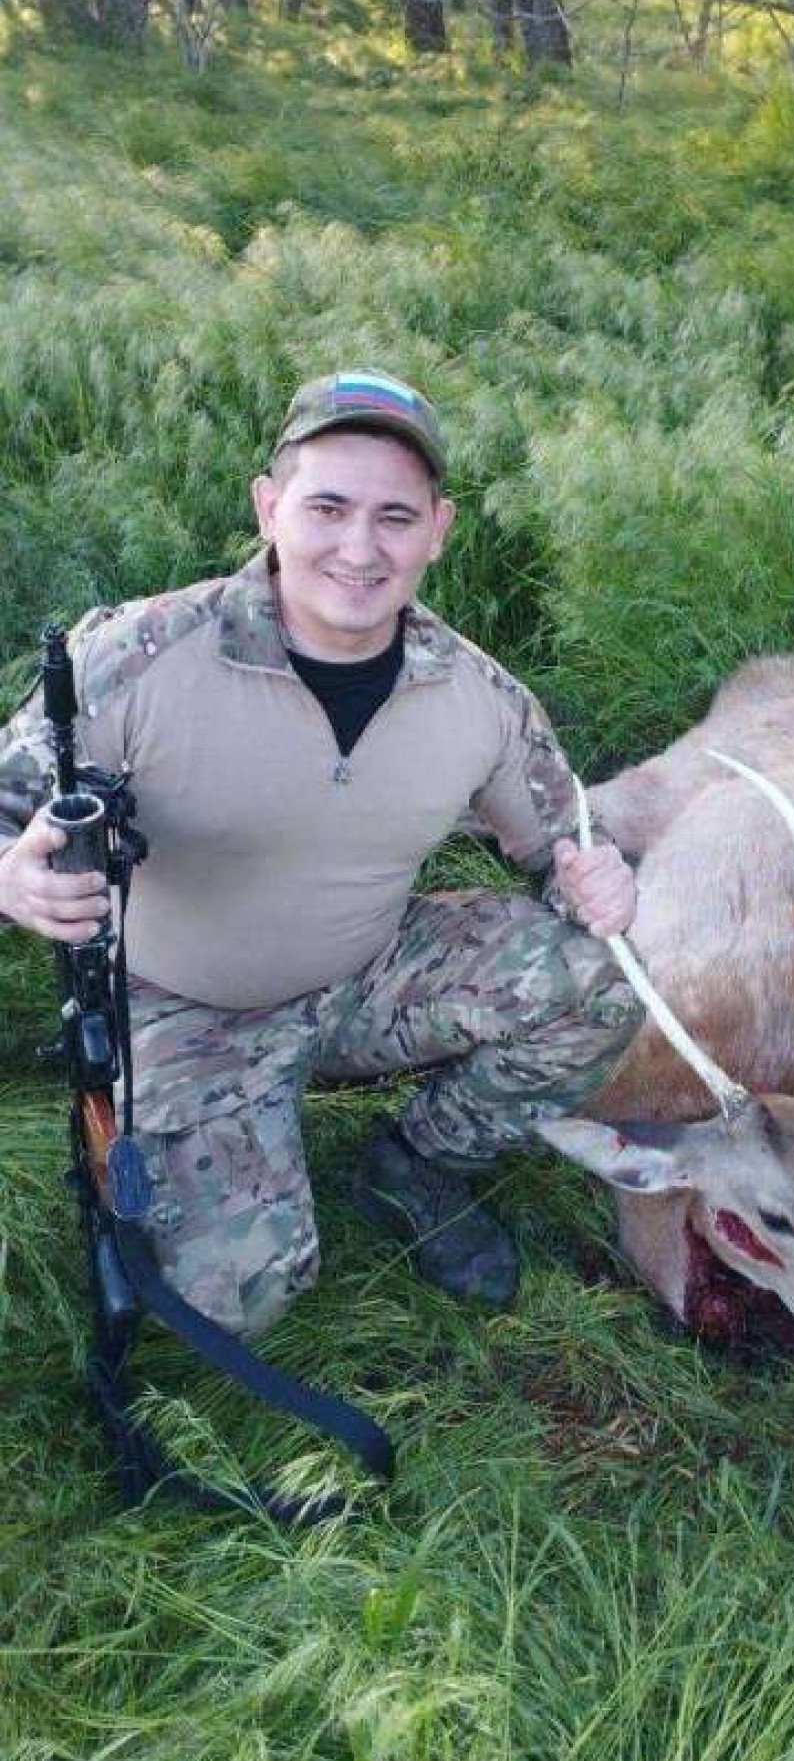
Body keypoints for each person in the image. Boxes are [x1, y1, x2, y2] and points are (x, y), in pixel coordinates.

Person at [0, 372, 642, 1334]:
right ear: (269, 505)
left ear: (439, 528)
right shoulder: (139, 657)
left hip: (366, 974)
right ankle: (216, 1128)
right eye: (328, 507)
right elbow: (7, 802)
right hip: (187, 1004)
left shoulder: (479, 696)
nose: (359, 548)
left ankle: (420, 1160)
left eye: (395, 516)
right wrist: (11, 873)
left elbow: (560, 836)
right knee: (236, 1302)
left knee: (602, 980)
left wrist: (595, 873)